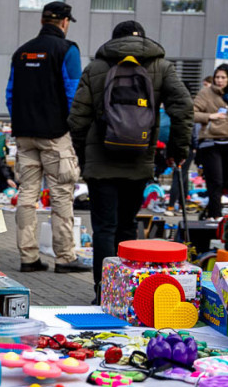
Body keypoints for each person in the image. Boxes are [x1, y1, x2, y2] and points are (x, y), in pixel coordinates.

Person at [68, 20, 193, 302]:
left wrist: (84, 154)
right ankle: (128, 293)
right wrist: (177, 149)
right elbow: (183, 106)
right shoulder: (161, 67)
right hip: (139, 160)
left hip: (100, 161)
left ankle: (103, 293)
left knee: (103, 228)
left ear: (114, 40)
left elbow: (77, 117)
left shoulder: (96, 68)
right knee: (127, 226)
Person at [4, 1, 87, 273]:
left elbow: (10, 95)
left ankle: (28, 257)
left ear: (42, 21)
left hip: (24, 135)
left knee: (27, 194)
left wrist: (22, 121)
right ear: (64, 22)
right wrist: (71, 128)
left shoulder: (21, 52)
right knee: (62, 192)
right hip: (55, 134)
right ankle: (65, 257)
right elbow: (73, 93)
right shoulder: (67, 50)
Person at [192, 64, 228, 220]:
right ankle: (215, 215)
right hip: (211, 143)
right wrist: (210, 116)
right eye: (217, 77)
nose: (220, 80)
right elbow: (192, 113)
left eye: (223, 77)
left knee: (225, 181)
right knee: (216, 180)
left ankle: (210, 212)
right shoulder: (205, 93)